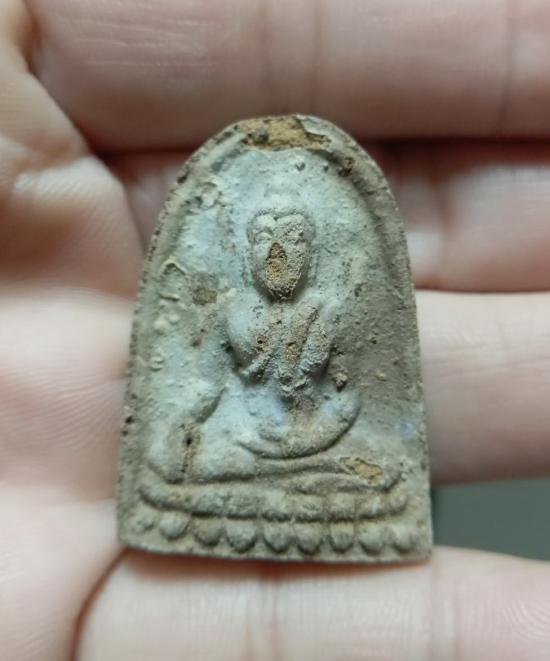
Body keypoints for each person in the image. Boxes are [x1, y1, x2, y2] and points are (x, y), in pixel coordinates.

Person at [1, 1, 550, 659]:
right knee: (168, 474)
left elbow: (344, 390)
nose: (278, 253)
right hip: (242, 445)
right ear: (248, 250)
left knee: (375, 480)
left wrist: (333, 366)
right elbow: (210, 388)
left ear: (312, 249)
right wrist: (186, 428)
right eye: (265, 239)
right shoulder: (234, 311)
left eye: (292, 238)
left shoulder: (328, 310)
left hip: (320, 445)